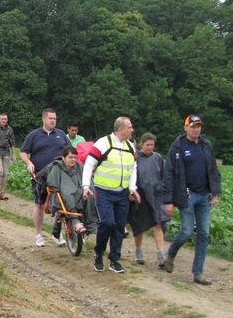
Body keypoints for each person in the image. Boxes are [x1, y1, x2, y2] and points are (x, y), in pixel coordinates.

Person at [162, 115, 221, 285]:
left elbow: (213, 169)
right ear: (186, 127)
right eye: (193, 126)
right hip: (186, 195)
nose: (196, 129)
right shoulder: (178, 147)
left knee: (204, 234)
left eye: (199, 126)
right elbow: (169, 174)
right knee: (187, 231)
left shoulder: (206, 145)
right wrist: (169, 200)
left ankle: (198, 273)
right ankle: (171, 255)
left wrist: (215, 191)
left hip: (204, 196)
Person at [82, 117, 140, 273]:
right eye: (130, 127)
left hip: (122, 193)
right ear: (120, 129)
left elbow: (134, 168)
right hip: (103, 191)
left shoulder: (130, 147)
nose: (132, 130)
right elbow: (89, 164)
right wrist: (86, 186)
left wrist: (132, 188)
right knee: (107, 223)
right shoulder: (103, 143)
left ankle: (115, 259)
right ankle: (98, 253)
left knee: (119, 227)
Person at [19, 108, 69, 247]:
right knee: (39, 204)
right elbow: (23, 152)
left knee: (63, 203)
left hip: (59, 174)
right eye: (50, 118)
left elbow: (69, 151)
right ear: (44, 119)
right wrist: (29, 163)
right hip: (40, 176)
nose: (53, 120)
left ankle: (58, 234)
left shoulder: (61, 135)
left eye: (55, 118)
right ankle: (39, 235)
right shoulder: (34, 135)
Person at [127, 133, 170, 267]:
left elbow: (163, 176)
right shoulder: (136, 158)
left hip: (155, 197)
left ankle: (162, 255)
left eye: (152, 145)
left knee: (157, 225)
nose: (149, 147)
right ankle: (138, 251)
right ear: (141, 144)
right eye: (147, 145)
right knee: (139, 226)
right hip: (141, 197)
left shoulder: (157, 158)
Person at [44, 146, 99, 243]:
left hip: (79, 193)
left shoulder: (80, 167)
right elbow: (52, 182)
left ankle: (91, 224)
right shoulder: (56, 168)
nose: (73, 159)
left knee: (89, 193)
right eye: (70, 157)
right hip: (61, 195)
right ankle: (75, 222)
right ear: (63, 157)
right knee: (68, 192)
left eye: (75, 157)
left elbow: (87, 180)